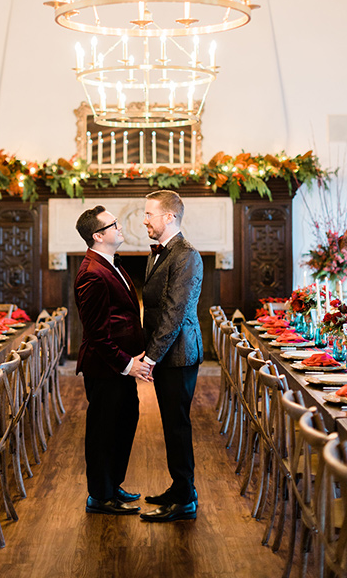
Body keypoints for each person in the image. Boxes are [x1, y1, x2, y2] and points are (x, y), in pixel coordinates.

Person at [74, 205, 151, 516]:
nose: (120, 227)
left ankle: (111, 486)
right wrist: (128, 364)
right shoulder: (91, 273)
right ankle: (99, 496)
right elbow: (96, 334)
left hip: (119, 367)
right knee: (103, 431)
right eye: (113, 224)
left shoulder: (109, 262)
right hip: (106, 368)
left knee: (124, 422)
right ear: (98, 235)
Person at [140, 189, 203, 523]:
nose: (144, 219)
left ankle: (185, 499)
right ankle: (181, 488)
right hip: (166, 354)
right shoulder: (159, 253)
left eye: (149, 213)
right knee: (171, 425)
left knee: (177, 426)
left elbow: (174, 313)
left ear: (168, 217)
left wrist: (150, 357)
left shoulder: (186, 255)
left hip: (178, 355)